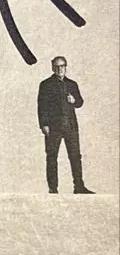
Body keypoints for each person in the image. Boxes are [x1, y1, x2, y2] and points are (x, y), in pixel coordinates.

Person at [38, 56, 95, 194]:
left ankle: (79, 187)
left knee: (75, 156)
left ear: (66, 67)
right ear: (53, 68)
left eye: (62, 66)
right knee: (52, 157)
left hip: (70, 126)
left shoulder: (72, 84)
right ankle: (53, 188)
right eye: (57, 66)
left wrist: (74, 100)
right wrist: (44, 125)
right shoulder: (46, 84)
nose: (60, 69)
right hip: (53, 127)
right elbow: (41, 106)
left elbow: (80, 102)